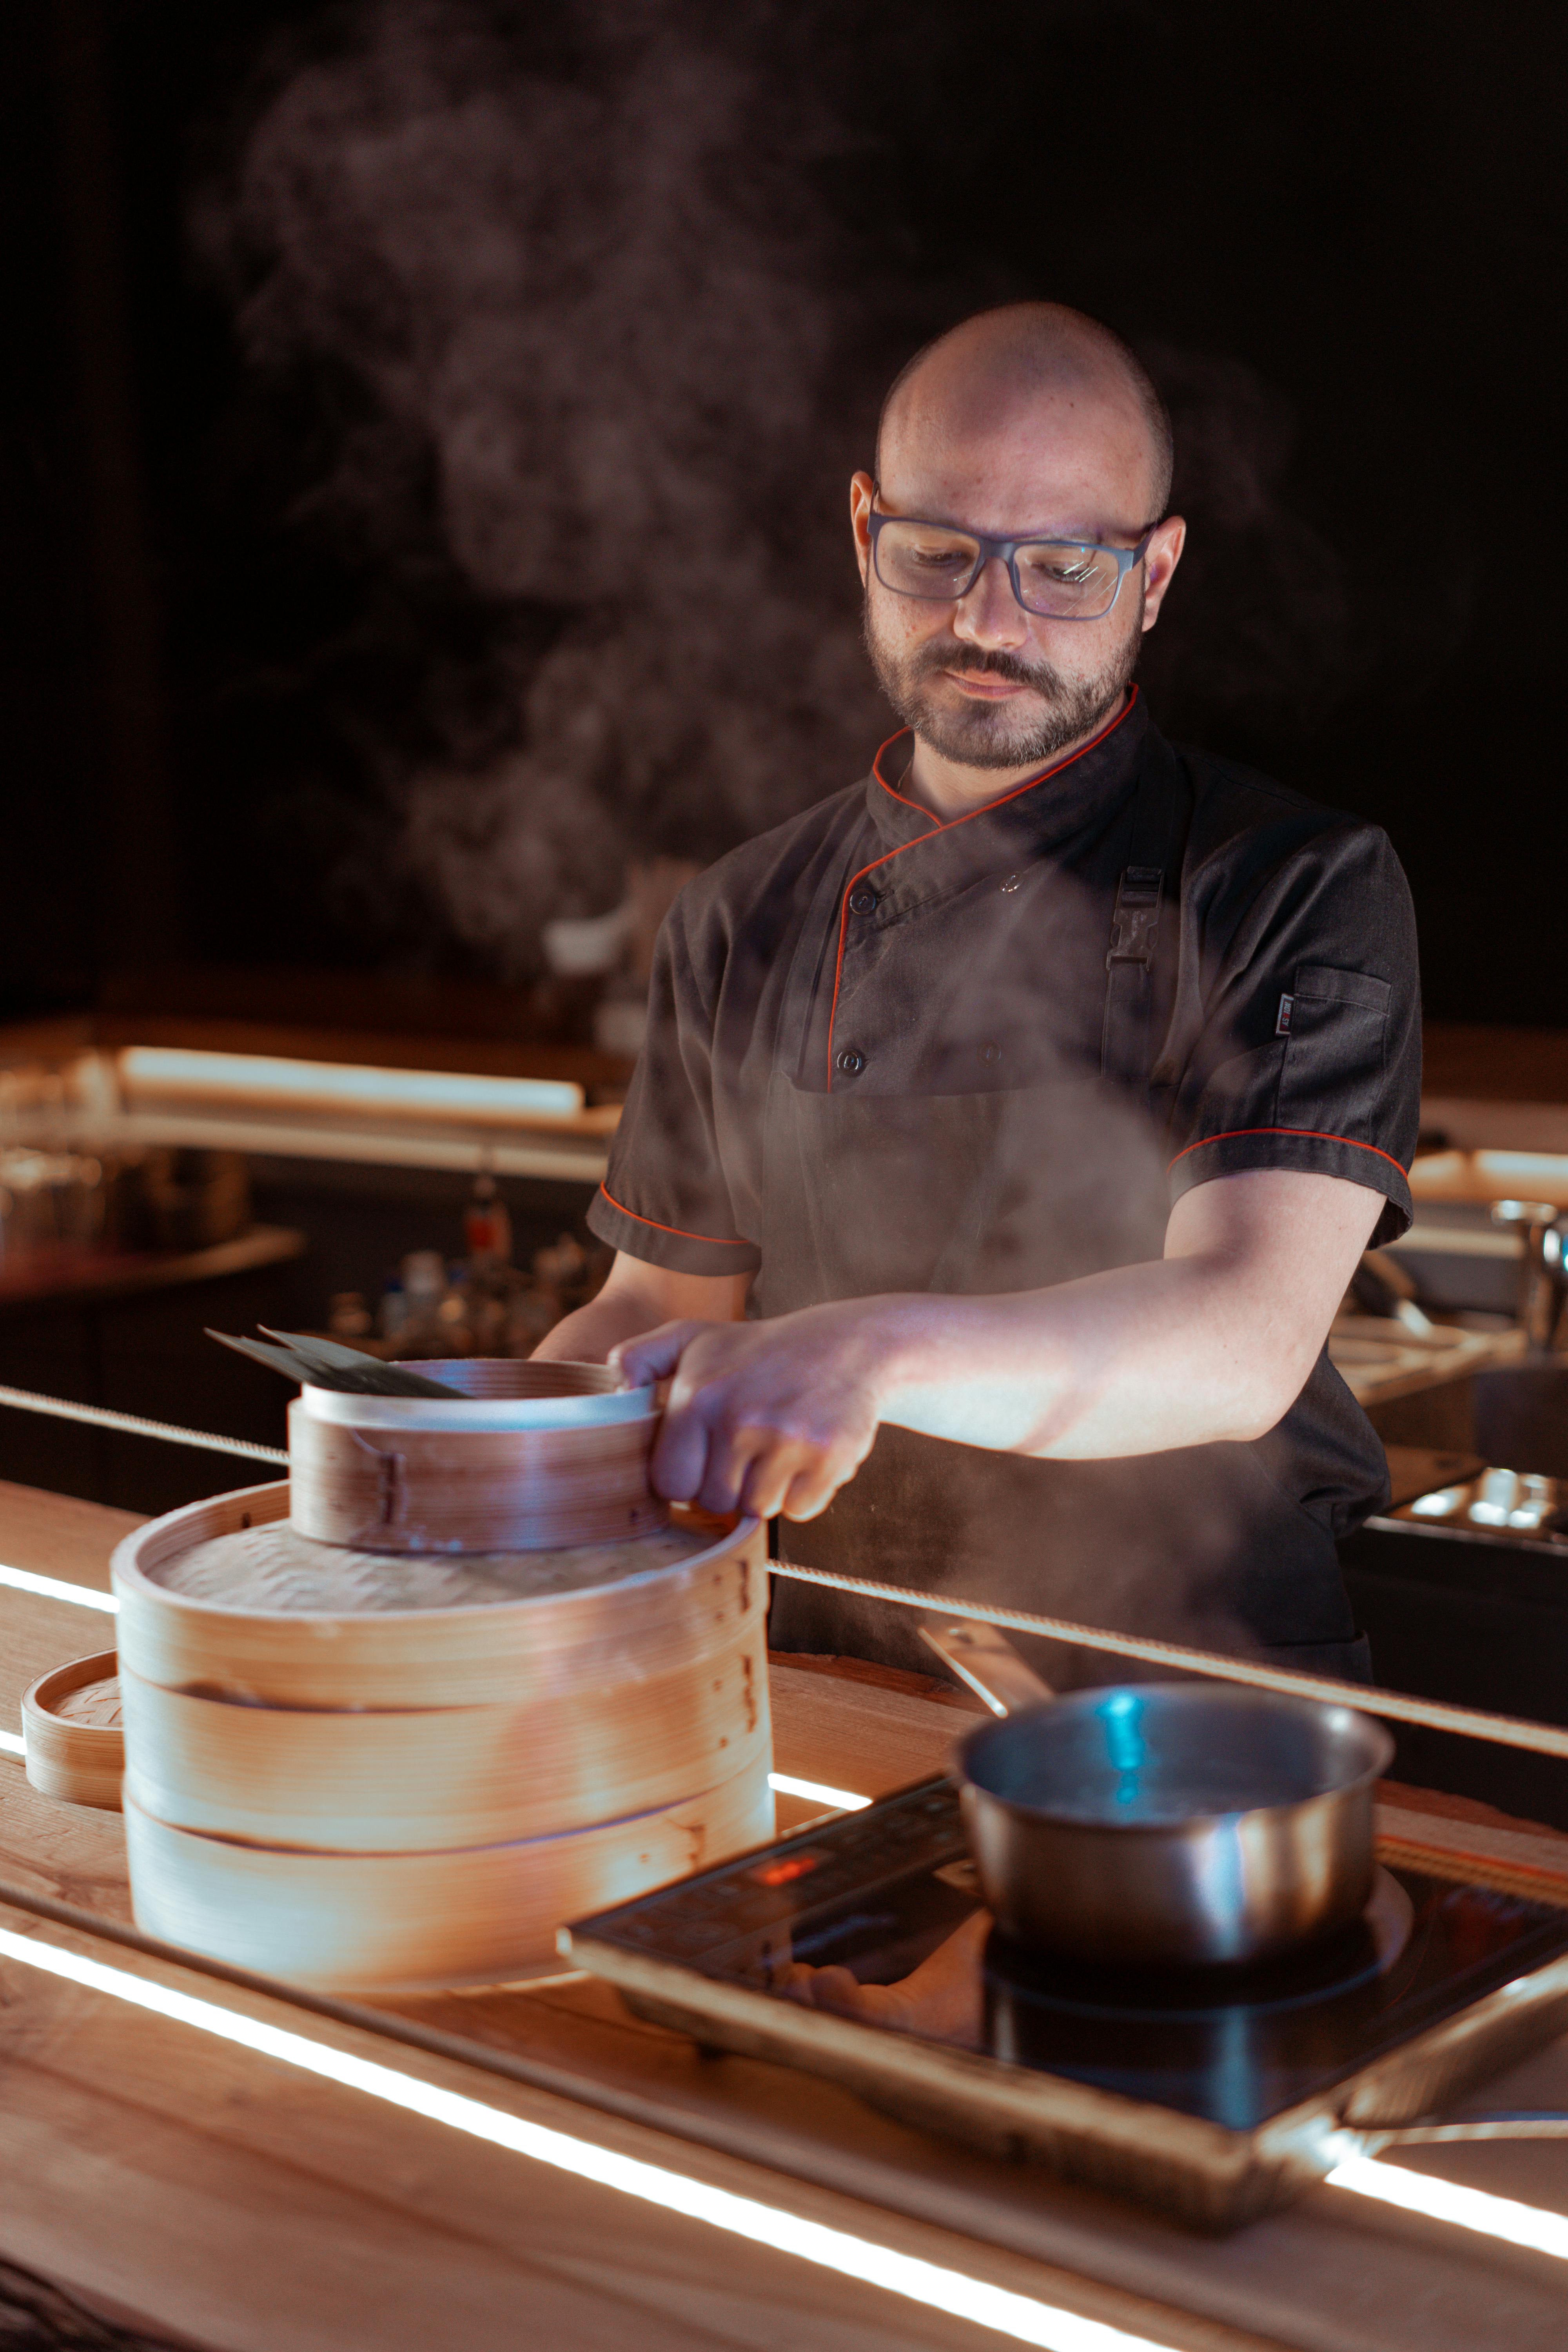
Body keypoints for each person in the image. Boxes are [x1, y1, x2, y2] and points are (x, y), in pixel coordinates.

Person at [537, 301, 1419, 1688]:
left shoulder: (1293, 883)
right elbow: (659, 1307)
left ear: (1156, 572)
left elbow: (1244, 1336)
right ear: (863, 532)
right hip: (816, 1669)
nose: (985, 616)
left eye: (1062, 563)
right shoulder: (739, 913)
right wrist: (499, 1440)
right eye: (937, 551)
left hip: (1200, 1685)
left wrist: (866, 1353)